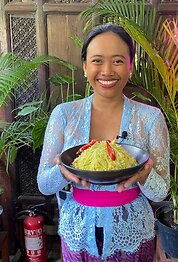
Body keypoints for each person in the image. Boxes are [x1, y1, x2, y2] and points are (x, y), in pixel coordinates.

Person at [37, 24, 169, 261]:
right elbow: (44, 185)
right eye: (97, 60)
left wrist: (144, 176)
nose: (107, 70)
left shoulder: (151, 118)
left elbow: (161, 192)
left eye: (118, 61)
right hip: (77, 231)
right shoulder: (64, 114)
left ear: (131, 66)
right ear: (85, 65)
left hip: (133, 230)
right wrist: (62, 171)